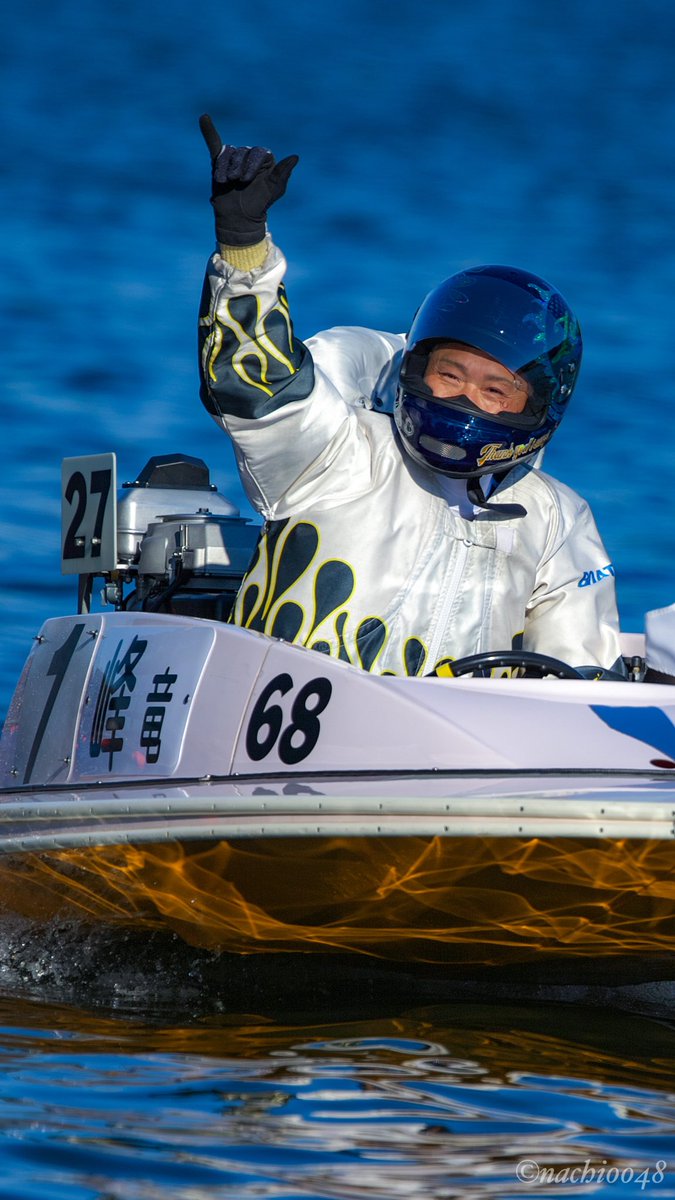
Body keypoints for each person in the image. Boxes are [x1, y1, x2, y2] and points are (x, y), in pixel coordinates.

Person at [196, 115, 623, 678]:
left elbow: (582, 680)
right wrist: (243, 245)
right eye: (451, 375)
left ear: (535, 407)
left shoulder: (556, 519)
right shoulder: (339, 452)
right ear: (416, 368)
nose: (468, 398)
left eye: (495, 389)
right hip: (276, 742)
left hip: (467, 760)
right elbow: (257, 388)